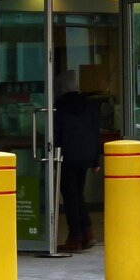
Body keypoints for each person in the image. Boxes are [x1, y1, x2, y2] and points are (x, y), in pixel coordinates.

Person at [53, 70, 101, 252]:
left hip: (66, 156)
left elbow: (56, 134)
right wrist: (96, 159)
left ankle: (76, 236)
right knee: (78, 195)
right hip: (86, 156)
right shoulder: (89, 105)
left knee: (70, 196)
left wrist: (53, 155)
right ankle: (87, 231)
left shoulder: (59, 107)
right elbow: (96, 132)